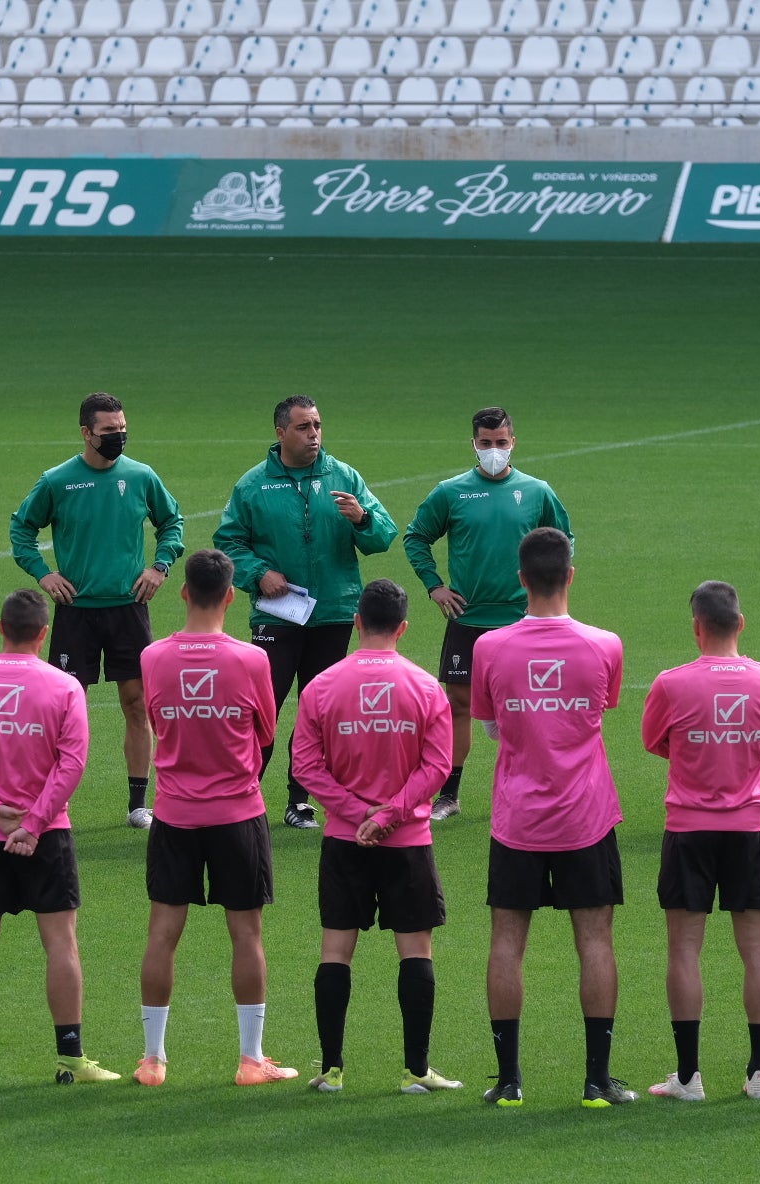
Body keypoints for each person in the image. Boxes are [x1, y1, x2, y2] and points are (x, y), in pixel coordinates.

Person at [472, 526, 634, 1109]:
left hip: (517, 819)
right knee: (594, 940)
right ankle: (596, 1080)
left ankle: (509, 1081)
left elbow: (490, 726)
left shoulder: (489, 647)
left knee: (506, 943)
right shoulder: (605, 645)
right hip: (585, 817)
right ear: (569, 576)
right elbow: (599, 711)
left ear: (521, 580)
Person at [0, 588, 119, 1086]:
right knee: (61, 944)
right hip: (47, 835)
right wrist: (33, 824)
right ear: (43, 633)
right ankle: (70, 1060)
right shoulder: (63, 687)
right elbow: (72, 763)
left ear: (0, 628)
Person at [291, 578, 460, 1095]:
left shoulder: (321, 685)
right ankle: (415, 1070)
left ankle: (332, 1070)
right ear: (403, 628)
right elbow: (439, 765)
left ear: (357, 623)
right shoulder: (427, 687)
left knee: (335, 952)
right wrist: (389, 814)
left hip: (344, 841)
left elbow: (305, 765)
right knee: (416, 952)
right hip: (406, 842)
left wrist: (354, 812)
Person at [134, 549, 293, 1087]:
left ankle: (152, 1059)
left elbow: (156, 719)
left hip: (174, 814)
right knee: (246, 935)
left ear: (183, 593)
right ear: (230, 595)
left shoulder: (153, 656)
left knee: (162, 935)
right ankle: (251, 1060)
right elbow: (266, 732)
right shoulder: (252, 660)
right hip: (238, 813)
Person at [215, 395, 397, 829]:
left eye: (317, 425)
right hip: (277, 616)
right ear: (280, 432)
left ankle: (299, 800)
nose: (313, 434)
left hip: (333, 612)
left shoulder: (343, 476)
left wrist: (362, 520)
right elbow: (229, 542)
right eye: (303, 427)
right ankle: (247, 793)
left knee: (319, 711)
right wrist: (258, 573)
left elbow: (383, 535)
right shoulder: (254, 484)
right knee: (264, 709)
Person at [10, 393, 183, 830]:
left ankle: (138, 804)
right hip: (76, 612)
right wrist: (44, 574)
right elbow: (22, 528)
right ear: (87, 433)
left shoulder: (141, 476)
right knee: (65, 709)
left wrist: (160, 567)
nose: (118, 437)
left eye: (122, 429)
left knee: (137, 705)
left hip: (129, 610)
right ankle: (51, 801)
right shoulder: (57, 481)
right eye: (109, 431)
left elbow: (172, 523)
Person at [639, 580, 760, 1103]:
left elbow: (656, 742)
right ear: (740, 624)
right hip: (747, 830)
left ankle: (688, 1078)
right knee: (757, 949)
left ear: (696, 627)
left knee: (684, 949)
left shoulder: (671, 684)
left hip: (689, 830)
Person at [403, 406, 571, 823]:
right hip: (469, 618)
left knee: (528, 707)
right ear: (473, 444)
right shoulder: (451, 492)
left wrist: (549, 593)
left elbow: (563, 540)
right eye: (485, 443)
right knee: (458, 705)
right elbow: (416, 537)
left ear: (513, 442)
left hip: (520, 620)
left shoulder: (537, 491)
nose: (493, 450)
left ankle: (534, 786)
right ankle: (451, 793)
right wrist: (434, 584)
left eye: (500, 442)